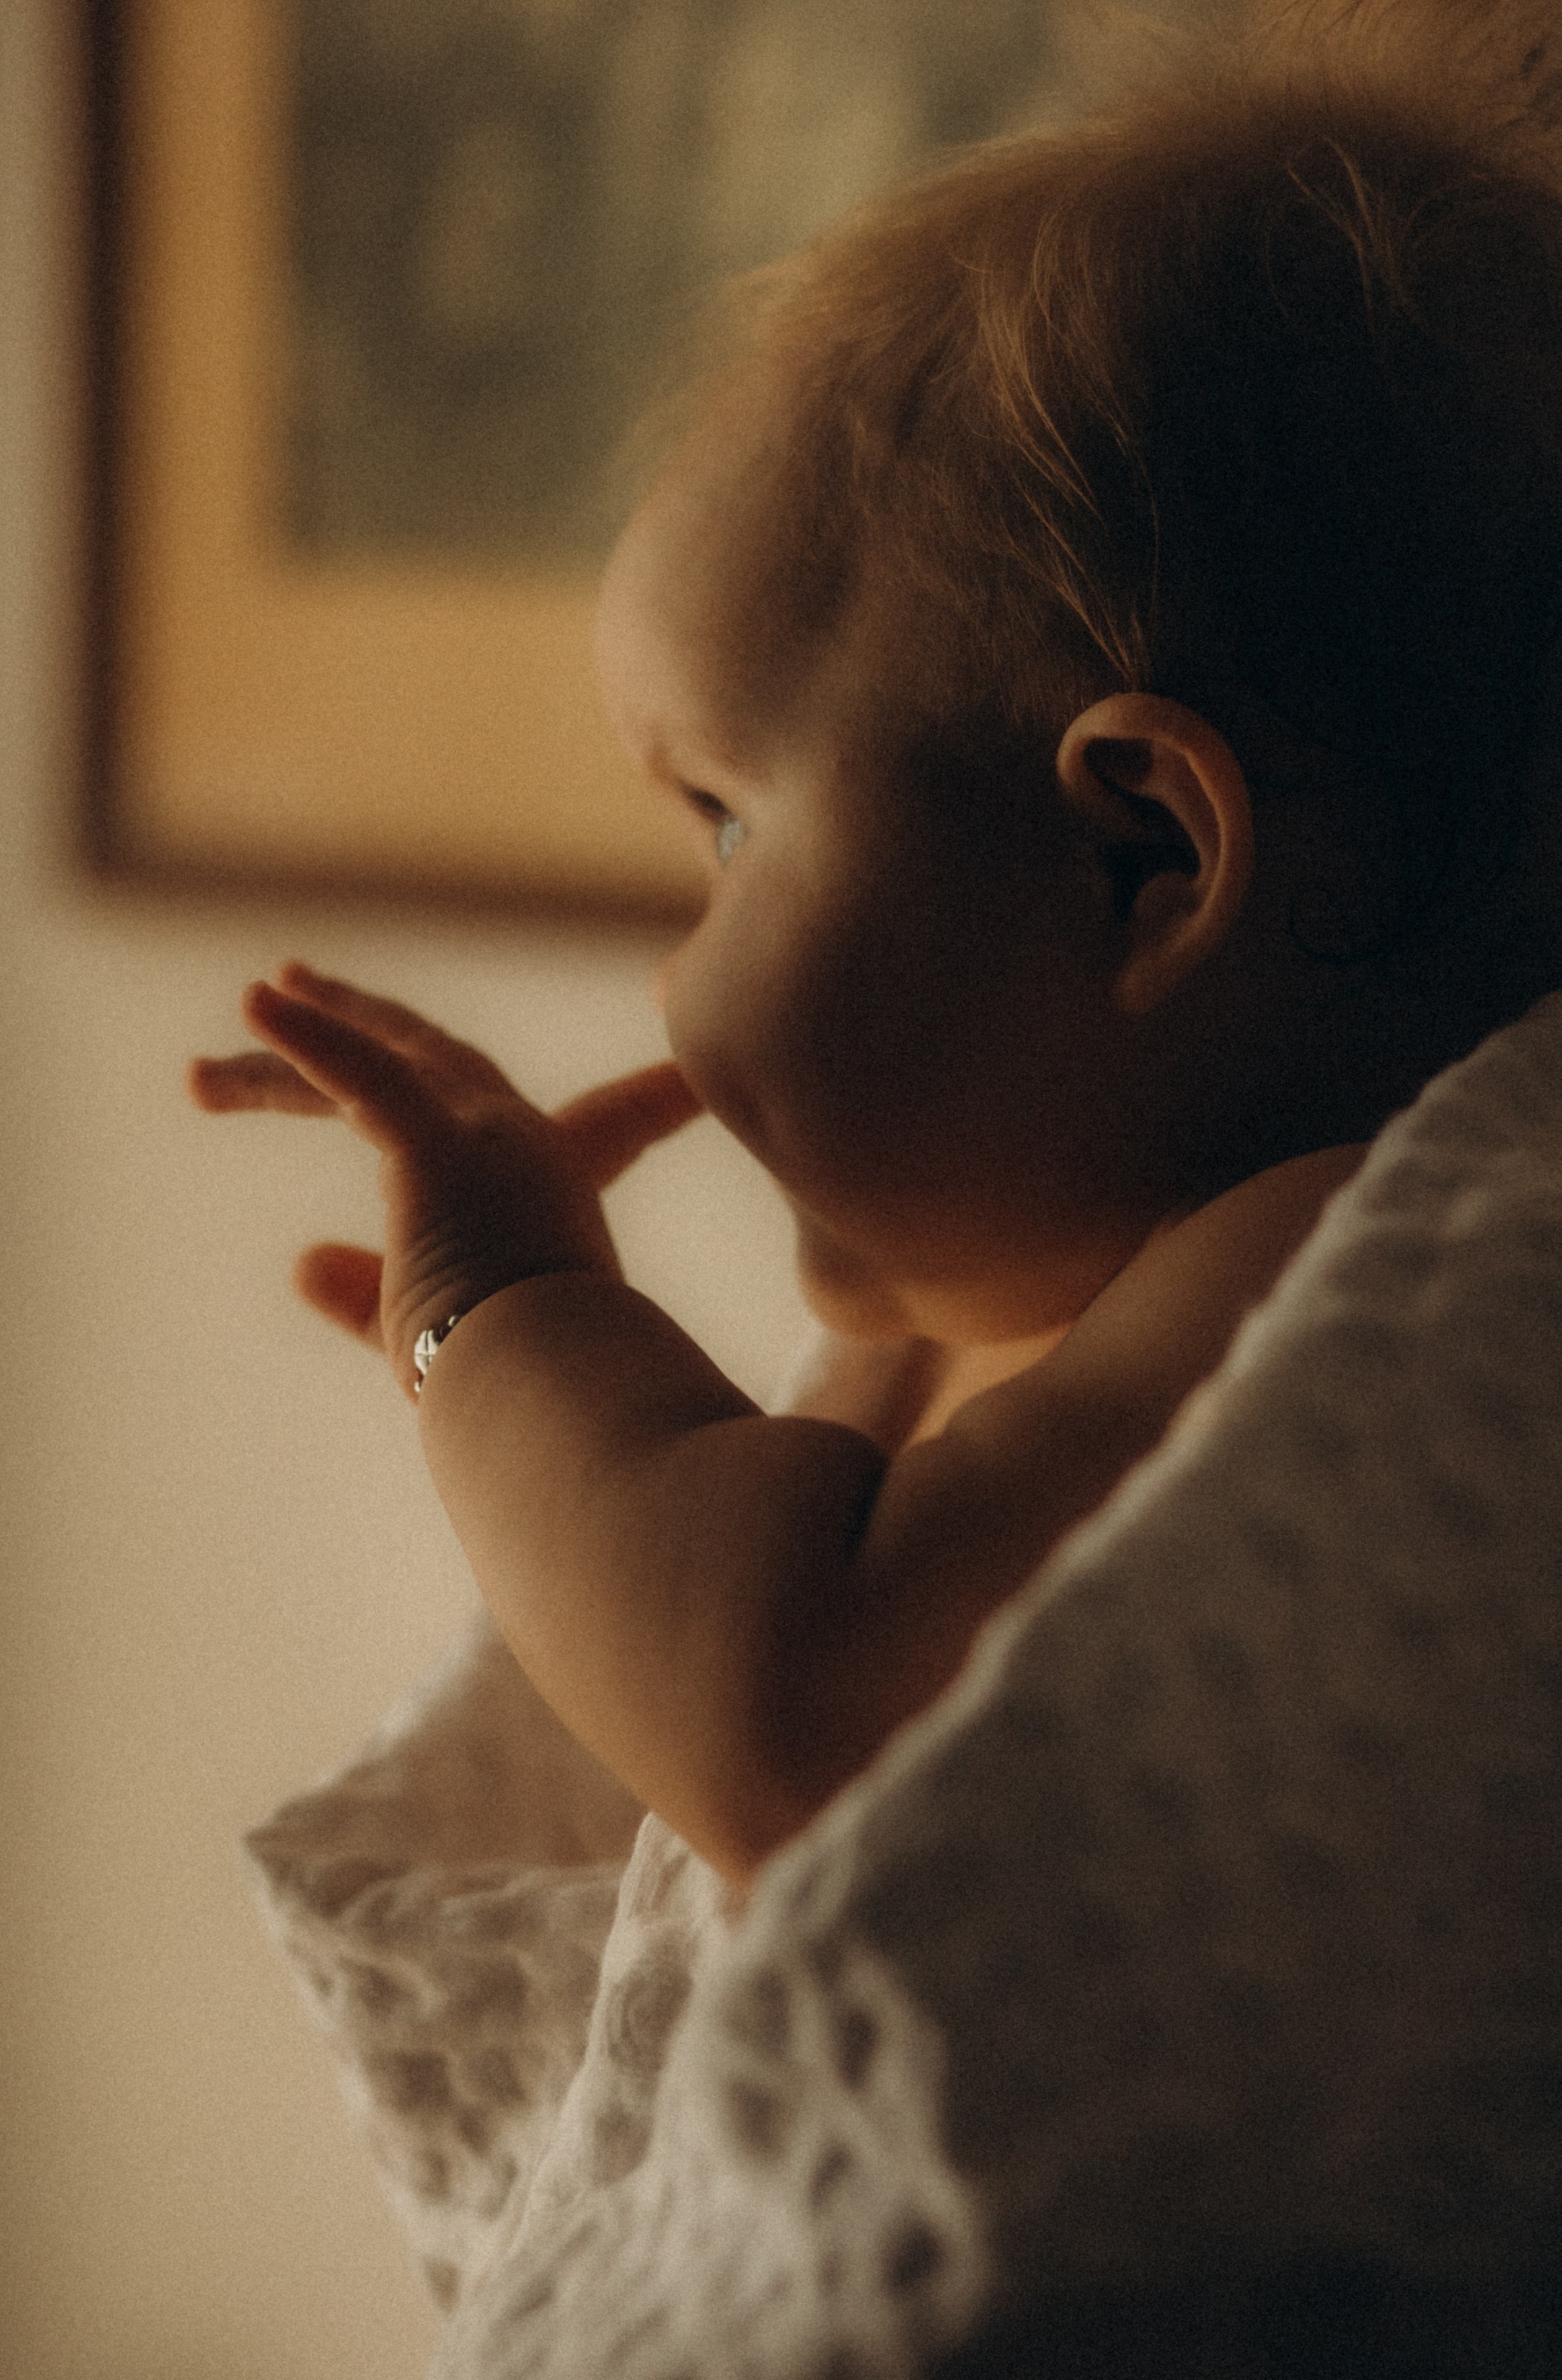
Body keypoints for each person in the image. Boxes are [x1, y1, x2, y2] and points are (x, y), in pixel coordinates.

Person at [192, 2, 1562, 1891]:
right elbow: (725, 1560)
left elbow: (779, 1699)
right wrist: (571, 1399)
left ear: (1144, 859)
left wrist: (489, 1300)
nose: (679, 976)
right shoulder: (1013, 1304)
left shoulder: (1339, 1258)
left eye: (732, 824)